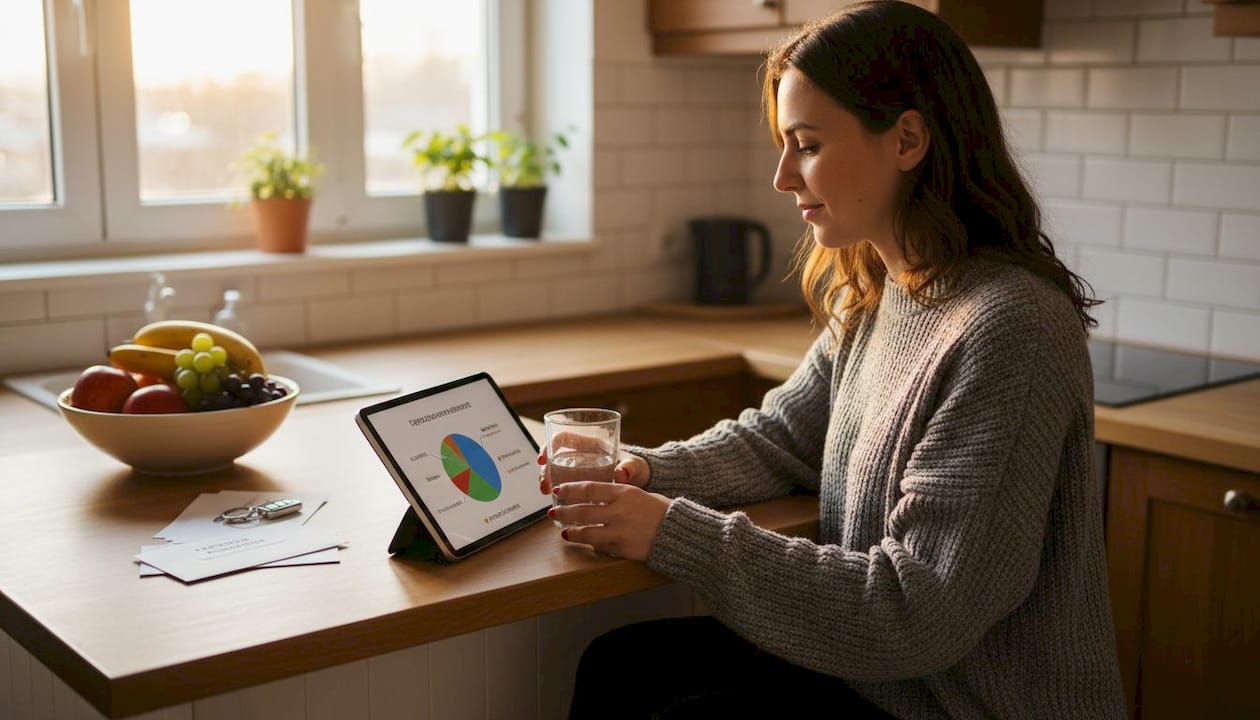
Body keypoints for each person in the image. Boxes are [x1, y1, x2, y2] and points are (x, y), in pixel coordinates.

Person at [540, 1, 1126, 717]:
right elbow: (782, 438)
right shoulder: (881, 294)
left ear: (907, 138)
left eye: (808, 144)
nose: (784, 178)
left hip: (958, 704)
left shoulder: (1011, 329)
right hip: (878, 681)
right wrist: (642, 470)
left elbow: (916, 610)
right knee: (622, 666)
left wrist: (671, 531)